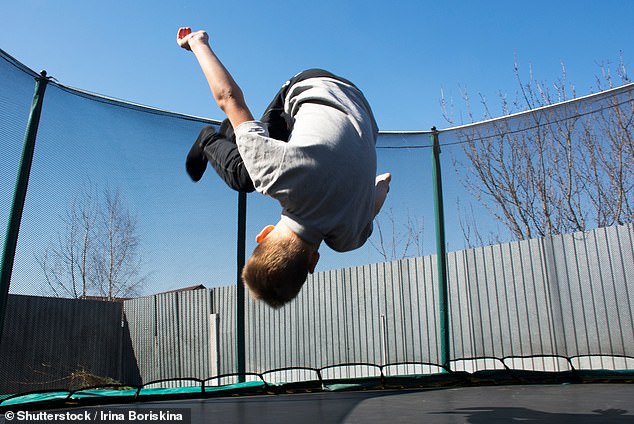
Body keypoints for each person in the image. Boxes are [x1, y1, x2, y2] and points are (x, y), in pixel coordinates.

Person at [177, 27, 391, 308]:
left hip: (362, 105)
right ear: (264, 233)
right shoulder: (277, 175)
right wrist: (198, 44)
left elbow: (379, 192)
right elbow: (228, 98)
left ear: (312, 262)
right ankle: (213, 138)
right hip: (310, 86)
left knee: (253, 157)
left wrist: (379, 186)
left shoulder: (350, 237)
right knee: (245, 176)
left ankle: (241, 135)